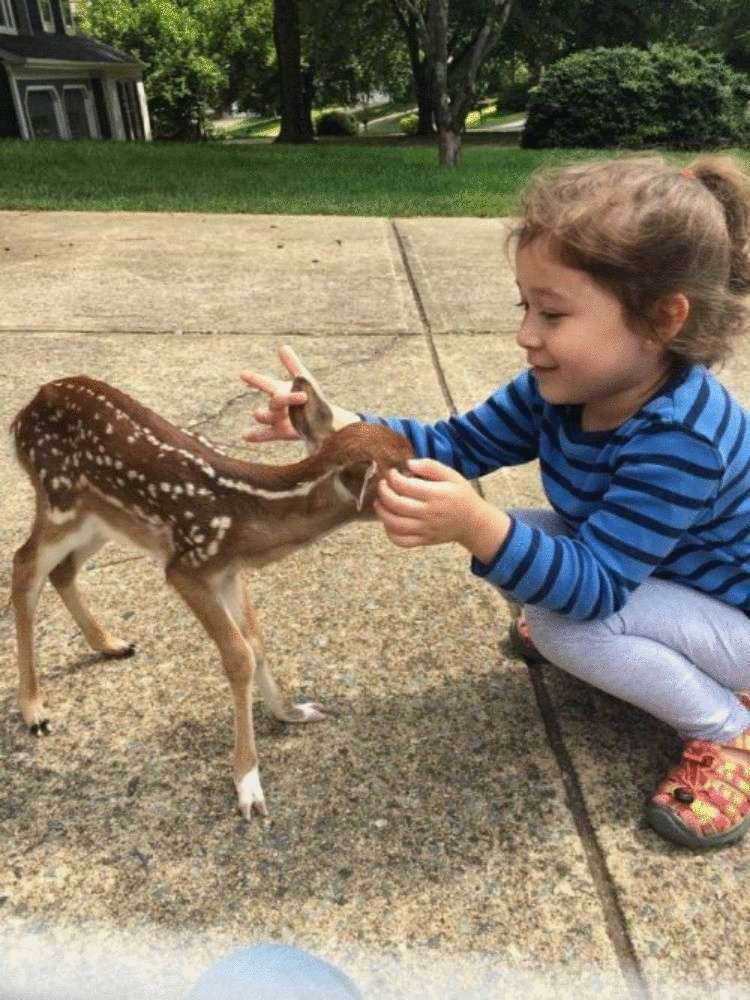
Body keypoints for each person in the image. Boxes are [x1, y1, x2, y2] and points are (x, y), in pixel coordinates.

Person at [240, 154, 750, 852]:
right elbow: (457, 443)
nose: (526, 335)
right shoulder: (561, 385)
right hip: (673, 578)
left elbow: (596, 585)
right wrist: (337, 425)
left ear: (662, 320)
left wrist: (477, 525)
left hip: (736, 616)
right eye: (525, 306)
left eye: (553, 313)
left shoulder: (682, 440)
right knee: (535, 550)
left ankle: (727, 730)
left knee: (570, 623)